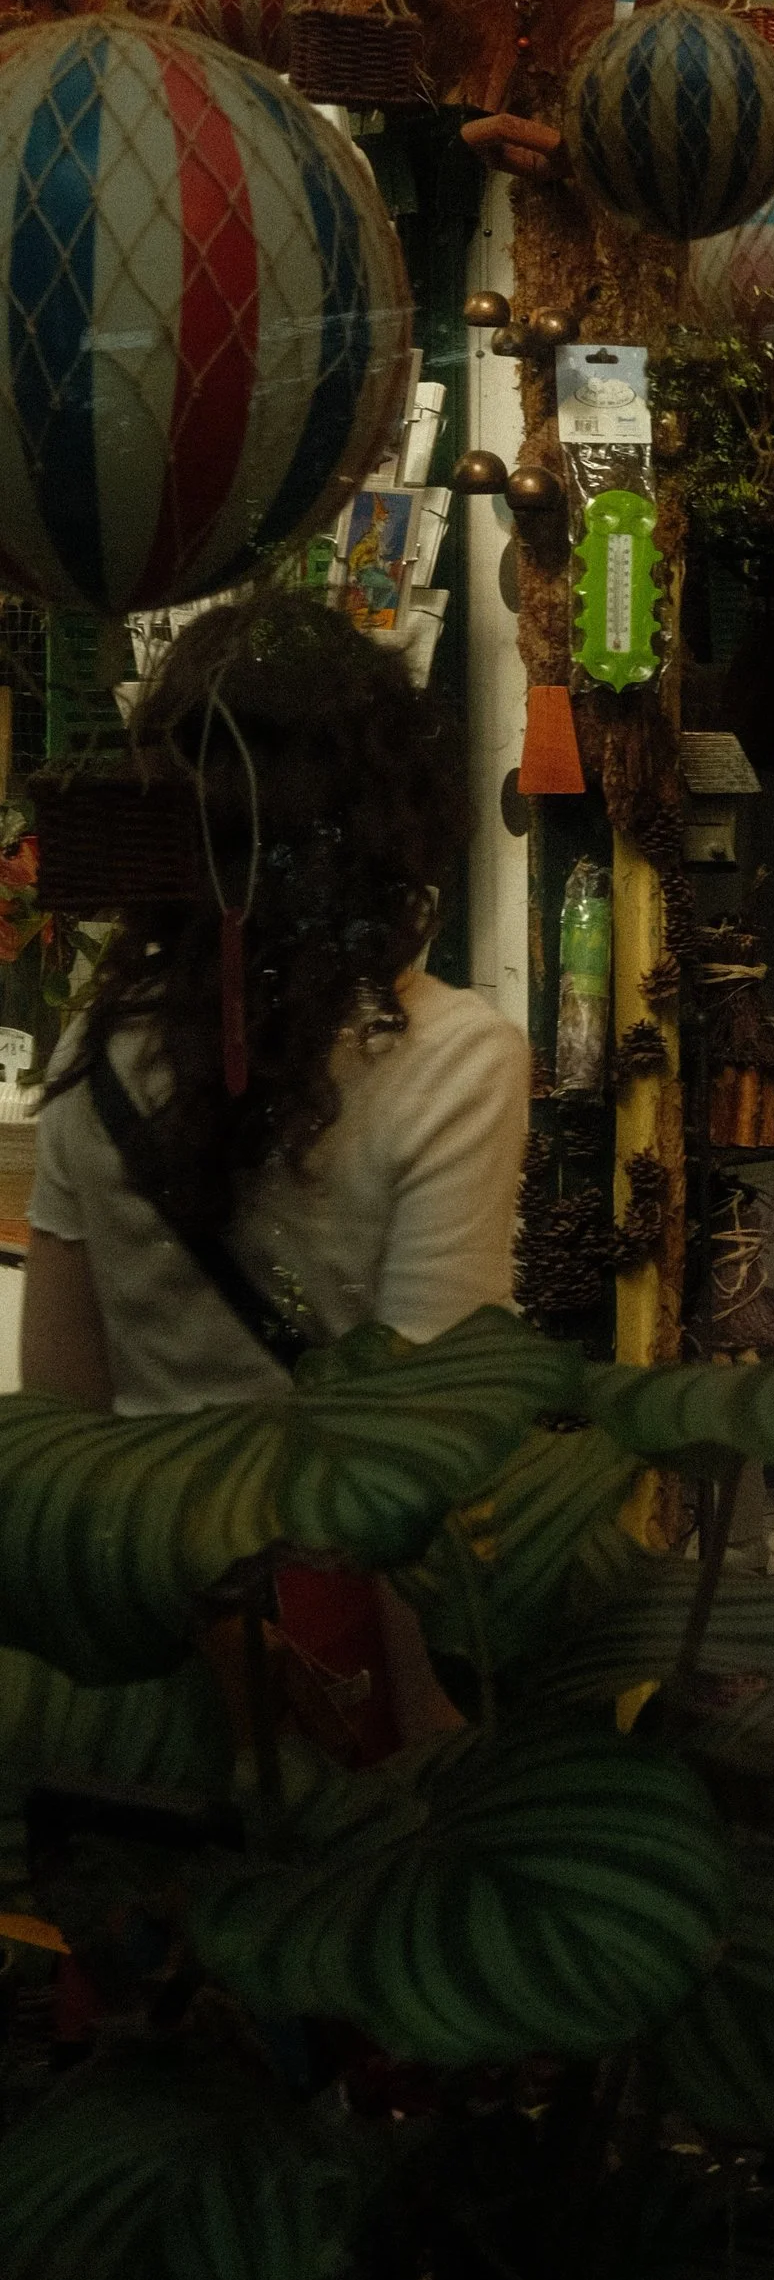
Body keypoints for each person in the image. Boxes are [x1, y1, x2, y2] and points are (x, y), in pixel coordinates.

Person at [23, 596, 531, 1744]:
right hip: (334, 1654)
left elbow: (59, 1418)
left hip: (145, 1645)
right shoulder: (459, 1060)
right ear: (392, 816)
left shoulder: (96, 1048)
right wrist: (443, 1752)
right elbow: (412, 1462)